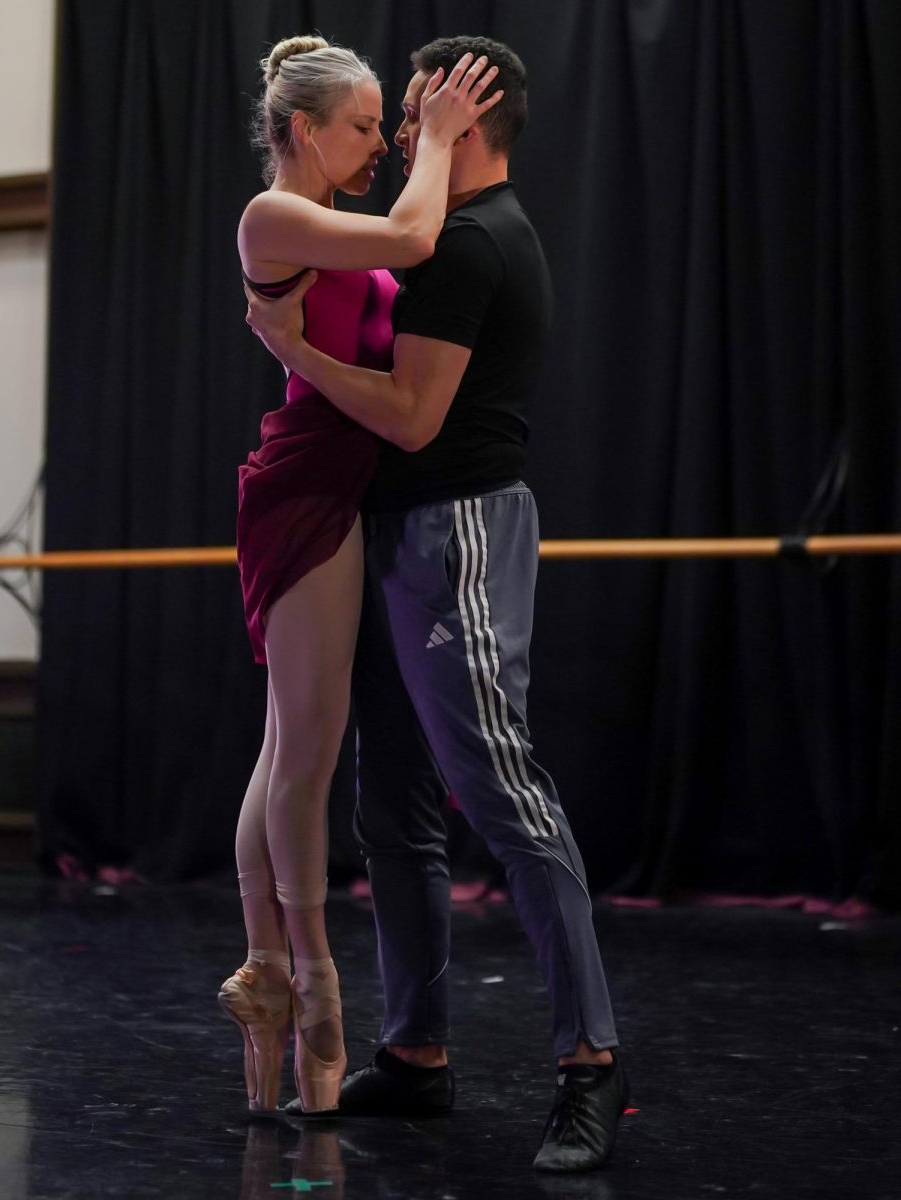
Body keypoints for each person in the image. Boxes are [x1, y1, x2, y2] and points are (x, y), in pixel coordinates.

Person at [244, 36, 629, 1172]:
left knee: (498, 790)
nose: (401, 135)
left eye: (415, 114)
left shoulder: (463, 241)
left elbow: (411, 419)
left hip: (451, 524)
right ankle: (415, 1057)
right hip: (395, 528)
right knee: (392, 813)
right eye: (389, 118)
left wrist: (290, 352)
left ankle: (591, 1066)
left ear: (473, 117)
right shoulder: (437, 232)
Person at [218, 35, 504, 1118]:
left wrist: (421, 143)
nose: (382, 140)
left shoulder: (325, 222)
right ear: (300, 130)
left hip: (344, 477)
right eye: (363, 125)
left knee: (286, 745)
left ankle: (264, 971)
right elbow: (412, 236)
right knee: (308, 748)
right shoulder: (271, 215)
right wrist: (436, 137)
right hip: (306, 482)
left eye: (390, 125)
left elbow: (402, 247)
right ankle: (311, 983)